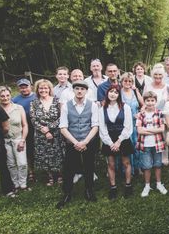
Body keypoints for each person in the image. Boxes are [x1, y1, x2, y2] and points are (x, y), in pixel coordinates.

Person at [56, 80, 100, 208]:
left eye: (82, 89)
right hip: (72, 142)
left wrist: (85, 141)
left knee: (89, 166)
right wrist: (76, 142)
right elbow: (63, 127)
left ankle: (89, 190)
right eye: (77, 89)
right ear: (73, 90)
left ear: (86, 91)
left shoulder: (92, 105)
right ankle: (67, 193)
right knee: (69, 168)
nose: (80, 91)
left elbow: (95, 125)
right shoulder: (66, 106)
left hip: (88, 141)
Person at [99, 84, 134, 199]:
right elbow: (102, 128)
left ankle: (128, 185)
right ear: (107, 93)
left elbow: (128, 126)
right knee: (111, 164)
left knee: (126, 163)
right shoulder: (102, 109)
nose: (113, 94)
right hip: (109, 138)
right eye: (111, 91)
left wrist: (119, 141)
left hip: (122, 138)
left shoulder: (125, 107)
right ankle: (113, 187)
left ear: (119, 95)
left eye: (115, 92)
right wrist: (110, 143)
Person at [30, 79, 64, 186]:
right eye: (41, 88)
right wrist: (43, 130)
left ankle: (59, 175)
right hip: (41, 134)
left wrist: (49, 128)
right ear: (37, 89)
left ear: (49, 89)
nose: (43, 90)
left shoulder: (57, 100)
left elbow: (61, 117)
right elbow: (33, 119)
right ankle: (50, 177)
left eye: (46, 88)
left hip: (56, 133)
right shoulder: (34, 103)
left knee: (57, 154)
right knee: (44, 155)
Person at [0, 86, 29, 191]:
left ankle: (23, 183)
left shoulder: (18, 108)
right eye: (2, 96)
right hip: (5, 140)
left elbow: (24, 125)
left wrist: (23, 140)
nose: (5, 98)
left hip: (18, 138)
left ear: (11, 95)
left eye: (7, 95)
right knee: (11, 164)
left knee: (22, 163)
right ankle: (15, 183)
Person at [136, 90, 168, 197]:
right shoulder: (141, 114)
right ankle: (147, 185)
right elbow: (139, 131)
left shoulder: (159, 113)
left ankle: (159, 184)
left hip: (157, 144)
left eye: (152, 100)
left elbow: (162, 129)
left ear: (155, 101)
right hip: (145, 144)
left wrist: (147, 130)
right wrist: (155, 129)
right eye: (148, 101)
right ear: (144, 101)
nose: (150, 103)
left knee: (158, 164)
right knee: (147, 166)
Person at [12, 78, 36, 182]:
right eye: (21, 87)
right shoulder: (15, 100)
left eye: (25, 86)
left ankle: (46, 170)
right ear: (18, 89)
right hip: (24, 127)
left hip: (38, 126)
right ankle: (31, 171)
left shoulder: (37, 96)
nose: (24, 89)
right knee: (29, 150)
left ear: (31, 86)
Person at [120, 72, 142, 174]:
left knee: (137, 144)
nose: (127, 83)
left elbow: (142, 104)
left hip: (136, 123)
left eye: (130, 81)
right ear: (122, 81)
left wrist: (139, 114)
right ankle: (129, 169)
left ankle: (138, 167)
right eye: (125, 81)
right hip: (125, 124)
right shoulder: (119, 93)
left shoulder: (134, 92)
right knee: (128, 146)